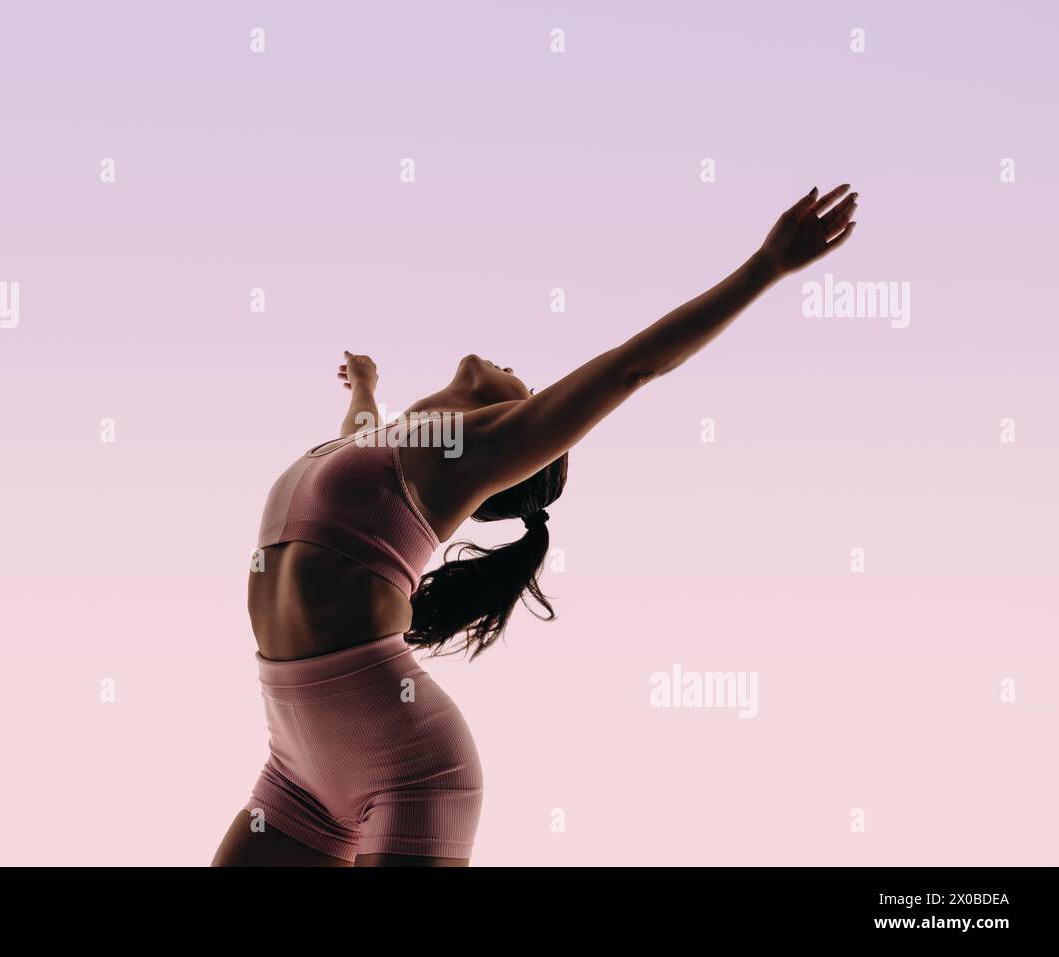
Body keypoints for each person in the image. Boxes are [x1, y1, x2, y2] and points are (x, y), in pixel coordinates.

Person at [212, 185, 858, 866]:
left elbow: (634, 367)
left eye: (528, 387)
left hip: (406, 767)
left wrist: (765, 267)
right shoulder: (380, 449)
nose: (520, 373)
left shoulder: (469, 452)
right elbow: (360, 432)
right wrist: (367, 383)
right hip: (295, 766)